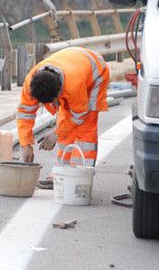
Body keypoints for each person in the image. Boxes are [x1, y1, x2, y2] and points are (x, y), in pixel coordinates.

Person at [17, 47, 110, 189]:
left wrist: (55, 134)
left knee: (85, 126)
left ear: (59, 91)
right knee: (64, 122)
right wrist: (25, 144)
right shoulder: (31, 83)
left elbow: (79, 115)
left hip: (96, 72)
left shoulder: (74, 84)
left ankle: (79, 177)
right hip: (74, 63)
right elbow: (25, 113)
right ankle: (61, 175)